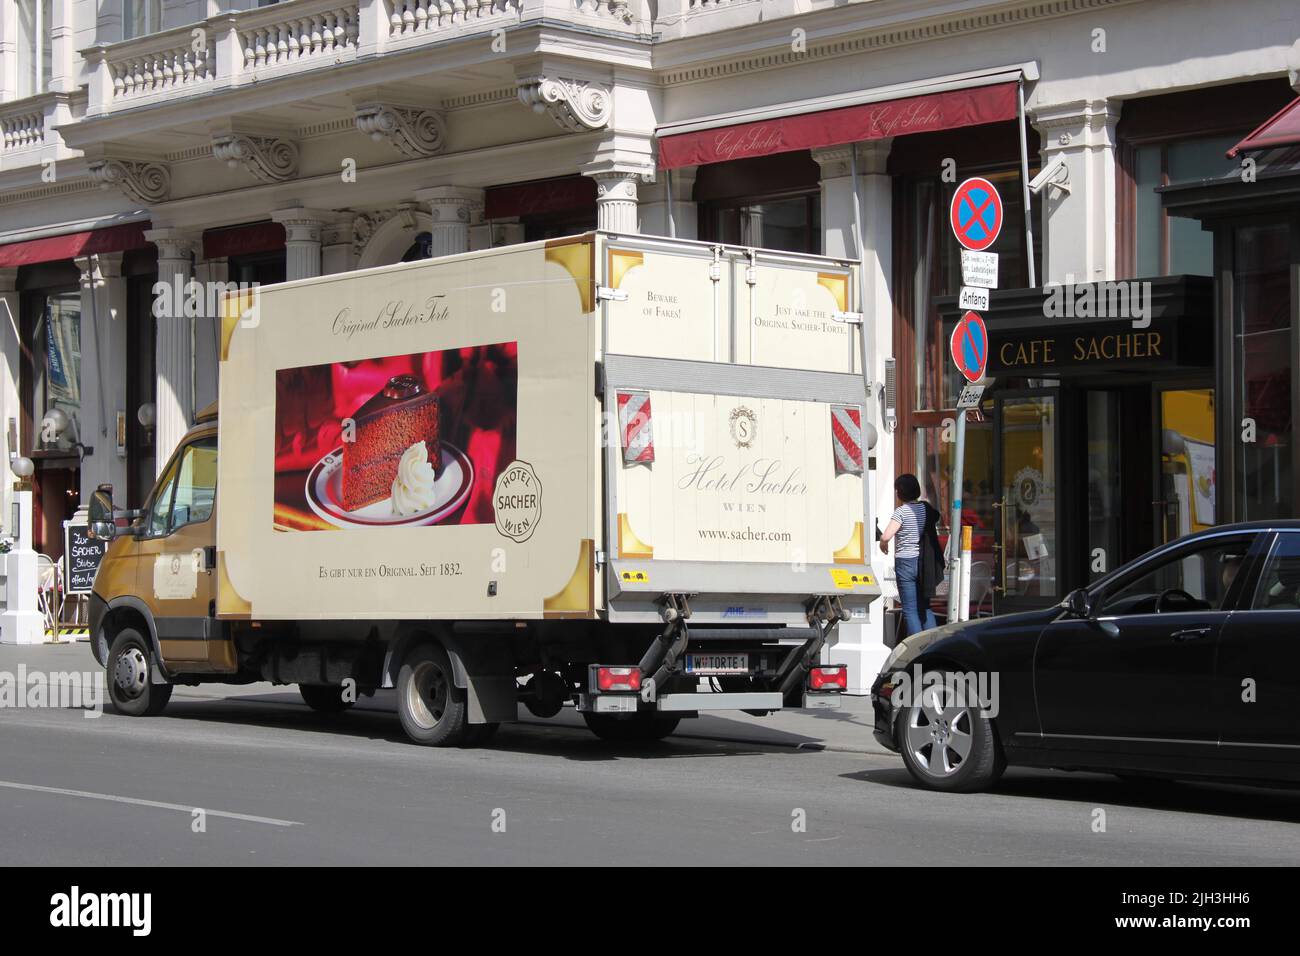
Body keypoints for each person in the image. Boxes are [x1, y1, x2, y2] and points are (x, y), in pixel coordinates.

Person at [880, 473, 941, 638]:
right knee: (924, 607)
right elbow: (935, 517)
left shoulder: (901, 512)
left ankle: (917, 655)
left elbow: (886, 535)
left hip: (905, 562)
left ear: (900, 492)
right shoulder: (925, 508)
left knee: (910, 609)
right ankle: (932, 648)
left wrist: (882, 544)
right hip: (923, 563)